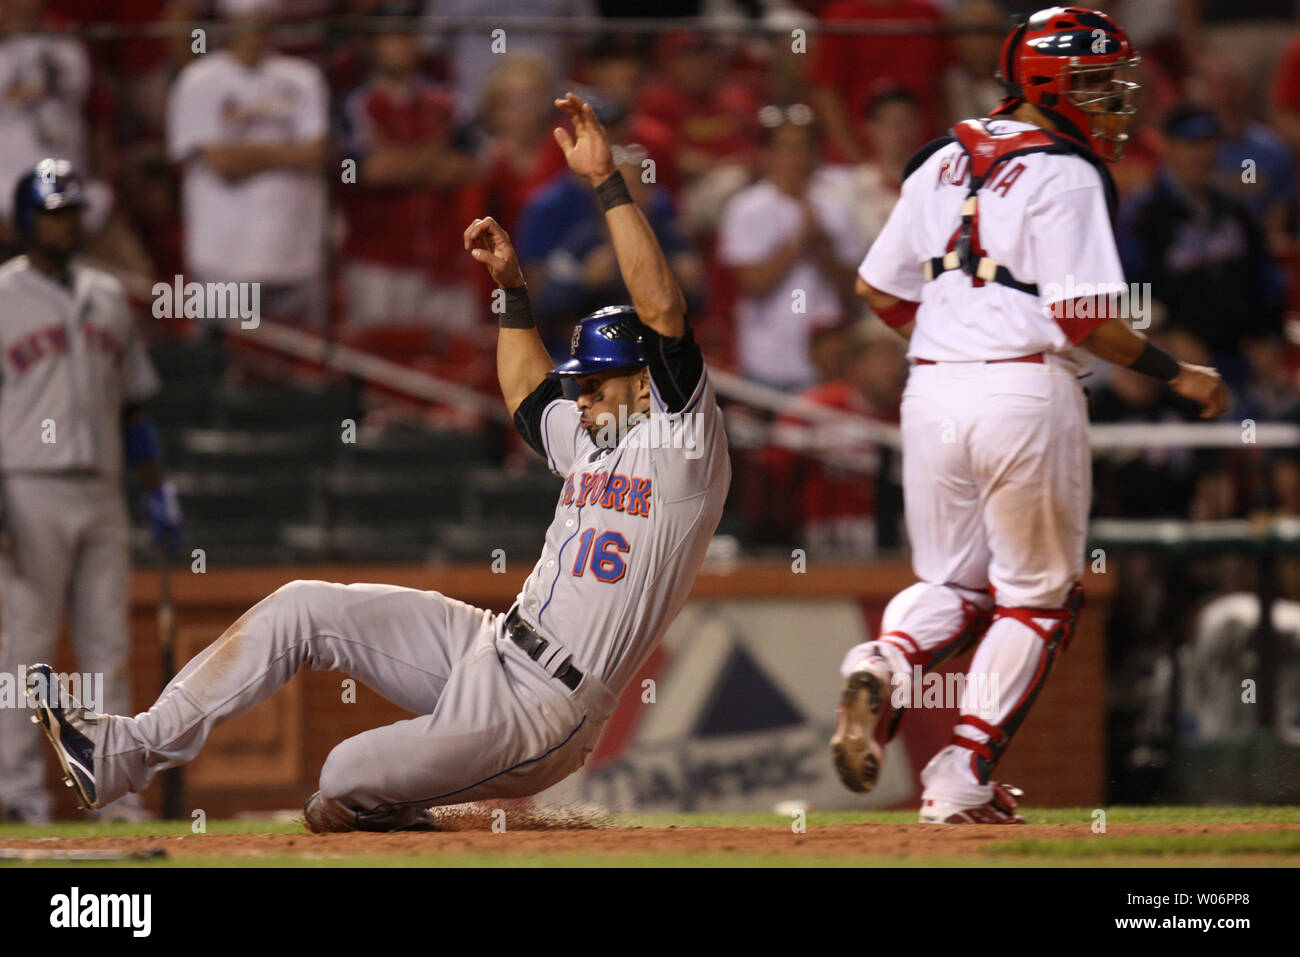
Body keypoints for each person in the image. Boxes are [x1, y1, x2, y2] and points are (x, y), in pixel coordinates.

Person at [26, 94, 732, 833]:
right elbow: (528, 395)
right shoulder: (592, 436)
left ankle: (426, 823)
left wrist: (607, 182)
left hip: (549, 702)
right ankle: (124, 751)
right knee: (303, 604)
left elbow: (661, 312)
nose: (579, 394)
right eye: (580, 382)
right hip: (490, 642)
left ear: (647, 380)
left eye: (594, 382)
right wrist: (514, 294)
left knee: (341, 777)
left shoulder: (683, 444)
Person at [829, 7, 1227, 824]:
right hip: (1024, 387)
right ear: (1047, 79)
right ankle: (961, 777)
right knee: (1037, 598)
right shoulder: (1069, 170)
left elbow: (876, 288)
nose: (1113, 99)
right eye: (1095, 82)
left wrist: (956, 335)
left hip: (932, 387)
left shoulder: (936, 159)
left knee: (951, 584)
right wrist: (1179, 373)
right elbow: (1085, 320)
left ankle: (882, 657)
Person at [0, 159, 181, 824]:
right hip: (26, 486)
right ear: (26, 220)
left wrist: (157, 486)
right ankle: (18, 793)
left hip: (103, 489)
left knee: (106, 646)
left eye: (71, 212)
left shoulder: (108, 294)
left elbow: (134, 406)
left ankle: (115, 792)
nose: (63, 224)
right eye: (52, 213)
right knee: (26, 647)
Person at [166, 0, 329, 326]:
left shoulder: (303, 77)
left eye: (262, 25)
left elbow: (317, 153)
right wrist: (287, 152)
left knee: (301, 365)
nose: (255, 35)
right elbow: (223, 162)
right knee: (224, 364)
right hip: (223, 255)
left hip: (295, 250)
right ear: (228, 26)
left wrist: (248, 153)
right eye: (247, 25)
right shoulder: (198, 80)